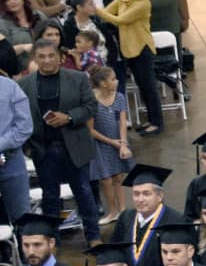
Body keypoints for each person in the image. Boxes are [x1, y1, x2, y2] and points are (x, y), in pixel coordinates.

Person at [19, 39, 103, 244]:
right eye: (42, 56)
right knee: (50, 198)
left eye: (51, 55)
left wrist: (69, 117)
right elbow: (20, 117)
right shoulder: (24, 84)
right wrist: (29, 148)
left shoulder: (77, 78)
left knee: (83, 192)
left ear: (59, 57)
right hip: (43, 149)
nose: (47, 60)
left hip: (74, 146)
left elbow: (91, 106)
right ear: (35, 59)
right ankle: (52, 241)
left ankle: (93, 236)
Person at [95, 0, 161, 134]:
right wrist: (100, 12)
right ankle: (150, 120)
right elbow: (109, 12)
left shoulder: (143, 3)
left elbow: (120, 20)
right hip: (129, 48)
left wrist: (95, 9)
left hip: (142, 47)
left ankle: (156, 122)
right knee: (141, 85)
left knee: (148, 86)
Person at [108, 164, 188, 266]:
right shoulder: (126, 217)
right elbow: (115, 251)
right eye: (136, 194)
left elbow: (181, 263)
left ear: (160, 196)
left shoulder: (176, 221)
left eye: (146, 194)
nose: (140, 199)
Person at [87, 66, 129, 222]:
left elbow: (122, 122)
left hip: (118, 140)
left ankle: (123, 210)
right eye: (113, 79)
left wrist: (123, 143)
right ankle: (112, 212)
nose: (116, 81)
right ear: (103, 83)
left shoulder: (119, 97)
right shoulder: (91, 100)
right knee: (106, 179)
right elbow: (90, 129)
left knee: (118, 176)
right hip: (101, 143)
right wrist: (112, 142)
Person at [0, 67, 31, 221]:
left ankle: (22, 244)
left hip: (11, 160)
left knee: (22, 218)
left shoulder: (9, 87)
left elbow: (24, 127)